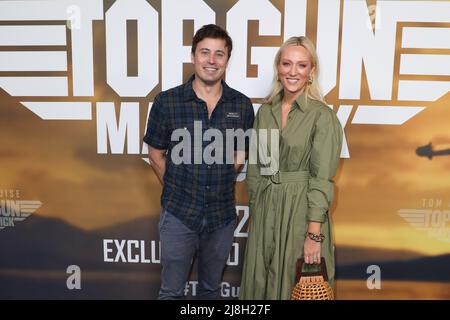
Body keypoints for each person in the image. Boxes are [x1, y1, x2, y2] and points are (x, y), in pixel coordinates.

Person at [143, 24, 254, 300]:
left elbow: (242, 151)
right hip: (179, 214)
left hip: (221, 217)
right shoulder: (167, 102)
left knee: (210, 290)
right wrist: (179, 187)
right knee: (170, 292)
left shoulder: (241, 105)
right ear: (193, 56)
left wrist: (225, 174)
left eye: (219, 54)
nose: (211, 61)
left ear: (228, 60)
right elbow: (155, 154)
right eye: (205, 52)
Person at [240, 36, 343, 300]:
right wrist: (258, 209)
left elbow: (321, 178)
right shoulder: (266, 112)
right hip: (265, 211)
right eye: (286, 64)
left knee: (292, 285)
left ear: (311, 71)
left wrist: (313, 234)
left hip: (300, 212)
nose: (292, 71)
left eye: (301, 65)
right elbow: (259, 167)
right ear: (278, 68)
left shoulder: (322, 116)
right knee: (260, 282)